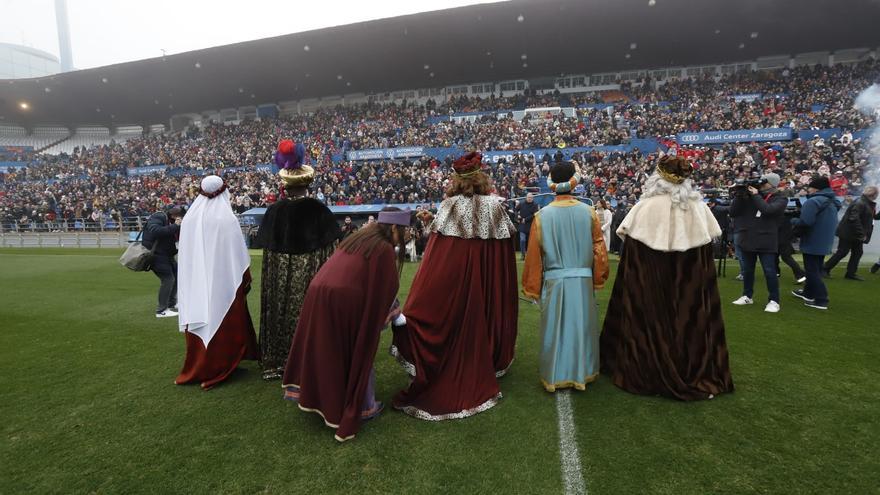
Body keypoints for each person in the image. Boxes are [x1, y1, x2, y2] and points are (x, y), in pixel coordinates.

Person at [391, 151, 518, 420]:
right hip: (484, 280)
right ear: (481, 179)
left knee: (455, 318)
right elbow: (504, 254)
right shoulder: (494, 206)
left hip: (455, 278)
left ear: (457, 181)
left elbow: (438, 256)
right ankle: (483, 358)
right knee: (479, 314)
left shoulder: (450, 206)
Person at [601, 156, 733, 401]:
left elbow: (631, 266)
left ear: (657, 178)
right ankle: (692, 367)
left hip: (651, 284)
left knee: (649, 314)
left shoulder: (644, 208)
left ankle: (648, 366)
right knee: (689, 316)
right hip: (689, 292)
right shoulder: (699, 208)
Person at [281, 208, 410, 442]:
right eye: (404, 230)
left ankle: (321, 397)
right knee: (359, 349)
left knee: (327, 350)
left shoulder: (360, 237)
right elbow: (385, 290)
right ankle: (365, 406)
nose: (406, 235)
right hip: (343, 301)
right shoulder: (382, 249)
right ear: (393, 228)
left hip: (320, 292)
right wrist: (396, 315)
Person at [256, 140, 341, 380]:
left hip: (280, 278)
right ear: (308, 183)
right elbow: (333, 253)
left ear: (285, 184)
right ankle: (309, 359)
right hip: (310, 276)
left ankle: (278, 361)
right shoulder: (318, 210)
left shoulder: (274, 211)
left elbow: (268, 253)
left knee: (279, 309)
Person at [522, 161, 609, 392]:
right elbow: (599, 249)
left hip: (555, 280)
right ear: (574, 181)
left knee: (555, 327)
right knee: (581, 326)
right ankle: (582, 372)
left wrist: (532, 286)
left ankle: (554, 374)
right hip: (582, 280)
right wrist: (598, 276)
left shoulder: (542, 216)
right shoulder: (589, 212)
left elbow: (534, 256)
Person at [175, 175, 259, 390]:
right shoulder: (226, 219)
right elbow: (238, 256)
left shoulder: (189, 219)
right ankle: (220, 365)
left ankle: (200, 364)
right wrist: (244, 276)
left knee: (202, 316)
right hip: (224, 282)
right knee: (222, 318)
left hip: (196, 282)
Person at [729, 173, 788, 313]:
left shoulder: (780, 198)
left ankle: (774, 300)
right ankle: (747, 295)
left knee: (769, 271)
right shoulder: (749, 197)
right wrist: (739, 194)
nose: (760, 185)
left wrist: (756, 195)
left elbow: (768, 210)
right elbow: (733, 212)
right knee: (748, 271)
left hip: (767, 240)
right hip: (748, 238)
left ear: (771, 184)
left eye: (764, 182)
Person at [791, 177, 842, 310]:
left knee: (812, 271)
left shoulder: (813, 201)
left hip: (813, 240)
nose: (808, 189)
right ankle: (808, 293)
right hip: (824, 240)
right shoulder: (832, 201)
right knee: (815, 269)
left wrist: (793, 220)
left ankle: (821, 299)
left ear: (816, 188)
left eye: (810, 187)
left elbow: (806, 222)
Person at [823, 186, 879, 281]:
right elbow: (853, 219)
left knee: (857, 252)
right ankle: (825, 269)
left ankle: (850, 273)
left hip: (853, 233)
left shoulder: (864, 202)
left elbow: (871, 217)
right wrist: (861, 234)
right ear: (873, 195)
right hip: (849, 233)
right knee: (842, 252)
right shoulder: (861, 203)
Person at [142, 205, 184, 318]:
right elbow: (155, 231)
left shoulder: (169, 220)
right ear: (174, 215)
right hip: (156, 255)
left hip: (167, 255)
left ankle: (171, 303)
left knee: (177, 275)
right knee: (168, 279)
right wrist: (175, 225)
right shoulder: (158, 216)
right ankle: (161, 310)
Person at [516, 193, 539, 260]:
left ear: (533, 198)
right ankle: (523, 255)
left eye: (531, 197)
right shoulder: (521, 204)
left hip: (531, 225)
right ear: (526, 197)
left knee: (531, 242)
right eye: (528, 197)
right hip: (522, 225)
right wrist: (517, 216)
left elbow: (535, 214)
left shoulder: (535, 205)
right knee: (522, 240)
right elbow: (516, 211)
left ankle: (530, 255)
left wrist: (525, 219)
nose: (529, 198)